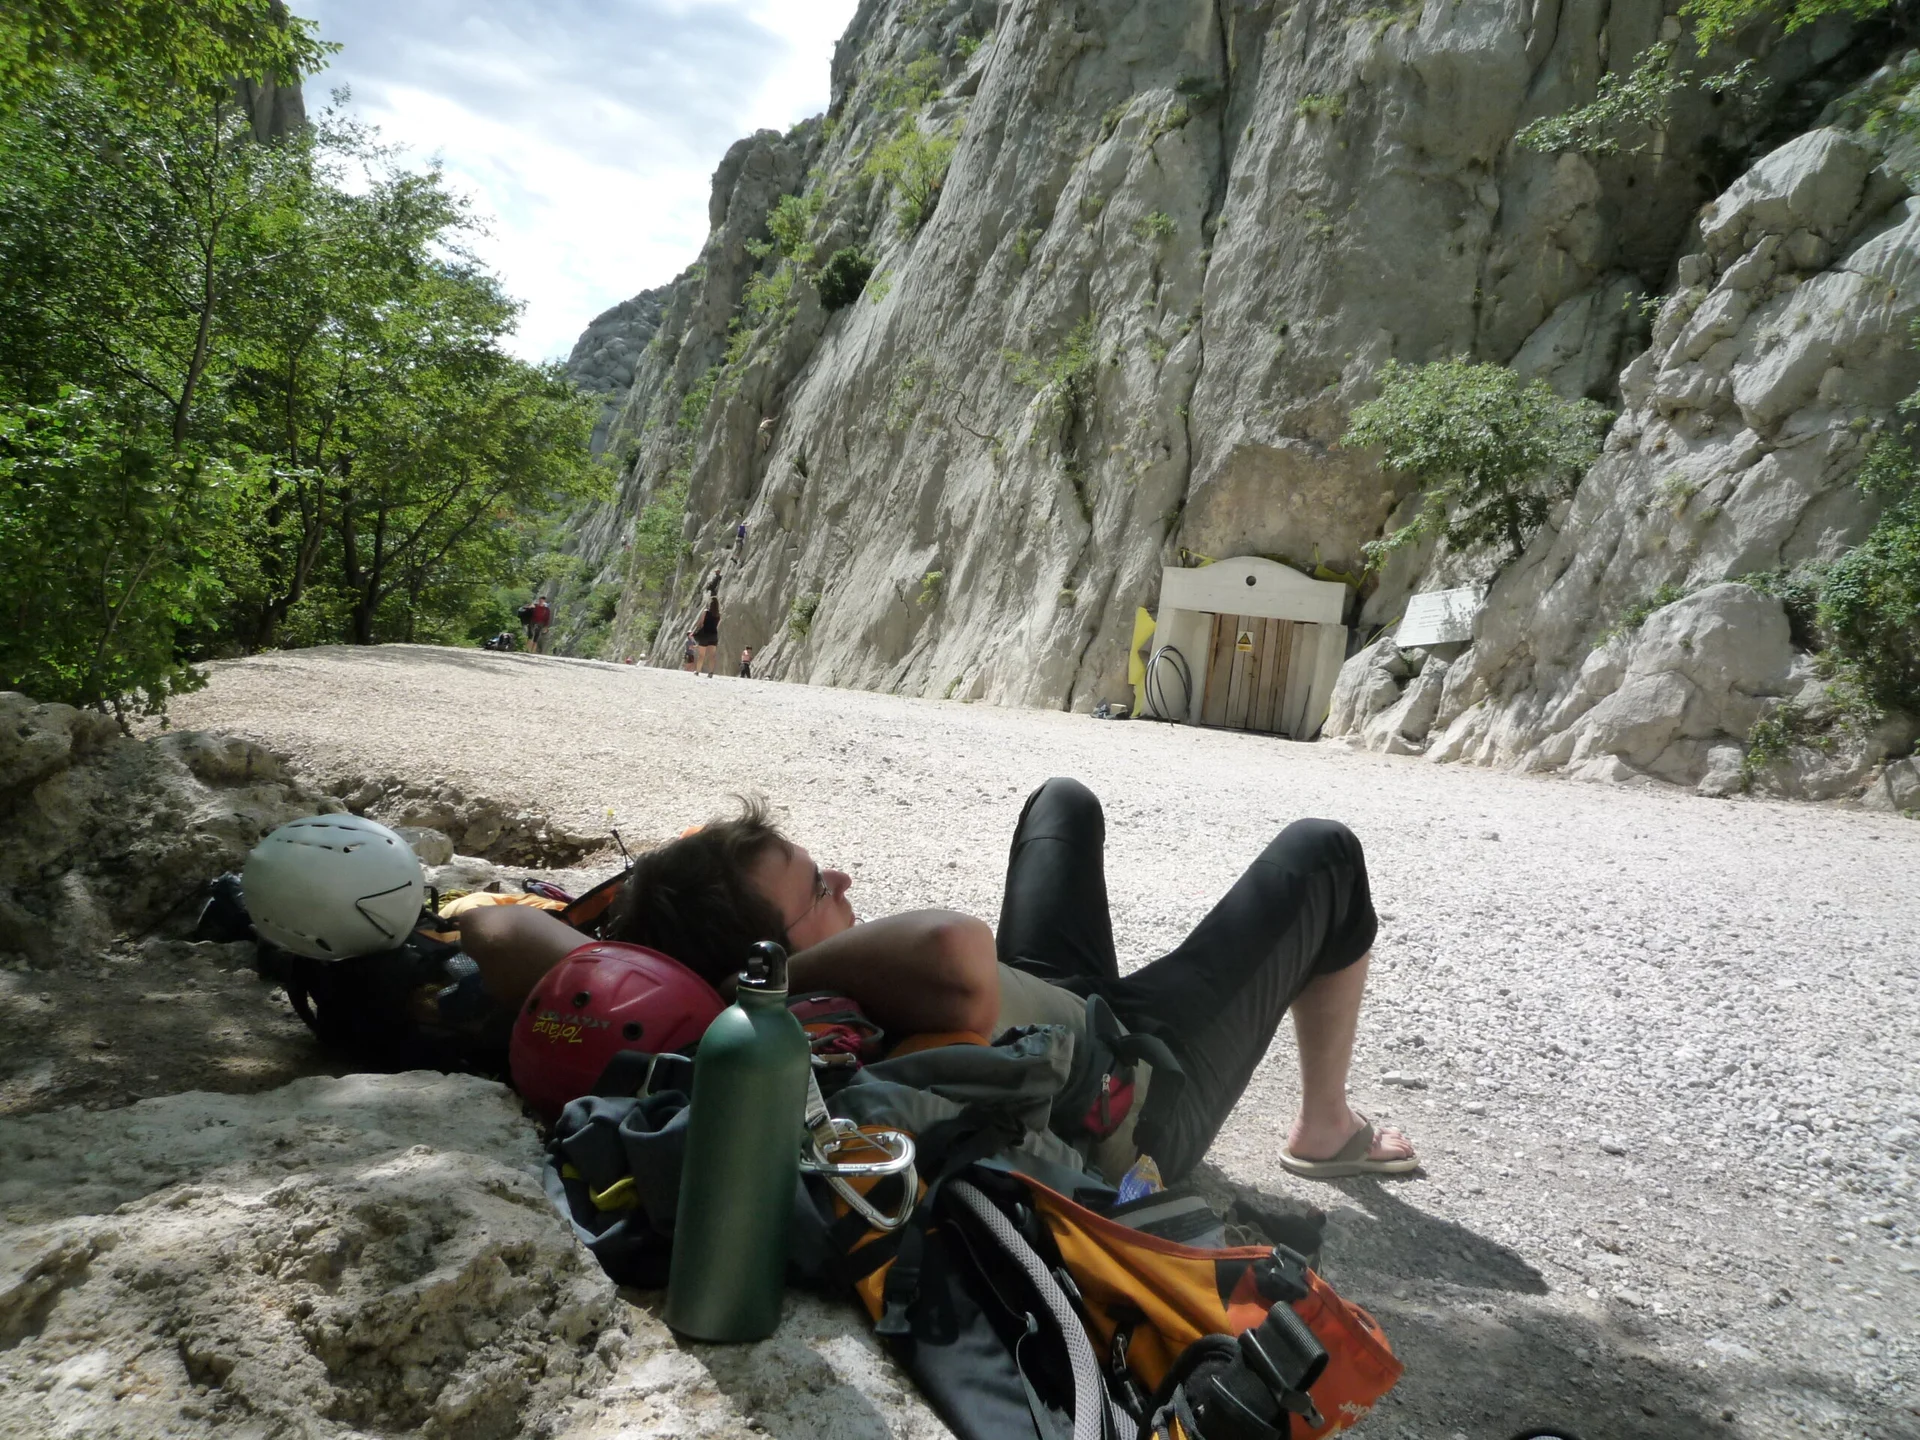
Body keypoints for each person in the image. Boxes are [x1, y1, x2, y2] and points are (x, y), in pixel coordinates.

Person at [458, 780, 1417, 1185]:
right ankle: (1325, 1126)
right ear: (768, 961)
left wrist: (690, 970)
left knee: (1061, 803)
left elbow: (496, 928)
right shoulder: (794, 1023)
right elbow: (959, 950)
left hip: (1047, 1001)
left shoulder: (694, 1013)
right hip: (1133, 1089)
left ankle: (1326, 1118)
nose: (842, 883)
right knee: (1322, 855)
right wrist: (771, 982)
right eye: (817, 888)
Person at [690, 575, 721, 678]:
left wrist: (695, 631)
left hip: (704, 634)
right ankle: (711, 672)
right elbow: (716, 624)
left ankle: (698, 671)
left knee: (701, 655)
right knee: (712, 655)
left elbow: (700, 623)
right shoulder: (718, 615)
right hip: (713, 635)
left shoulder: (706, 612)